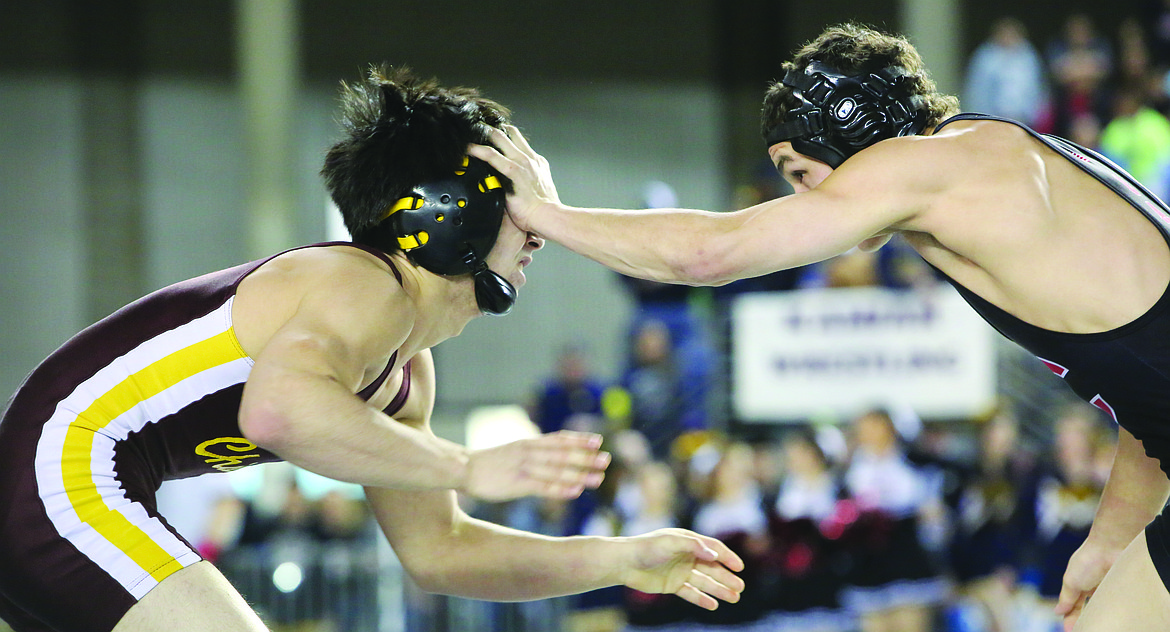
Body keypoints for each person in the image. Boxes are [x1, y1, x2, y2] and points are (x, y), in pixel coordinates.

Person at [470, 21, 1170, 632]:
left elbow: (712, 252)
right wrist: (1109, 539)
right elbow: (1151, 409)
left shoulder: (920, 165)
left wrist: (547, 215)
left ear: (851, 129)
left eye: (800, 172)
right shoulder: (993, 162)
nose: (807, 199)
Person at [0, 65, 745, 632]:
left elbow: (442, 552)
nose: (541, 232)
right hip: (62, 479)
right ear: (454, 213)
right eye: (520, 206)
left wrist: (625, 560)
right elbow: (278, 414)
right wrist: (466, 463)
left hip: (81, 488)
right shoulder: (359, 283)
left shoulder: (405, 370)